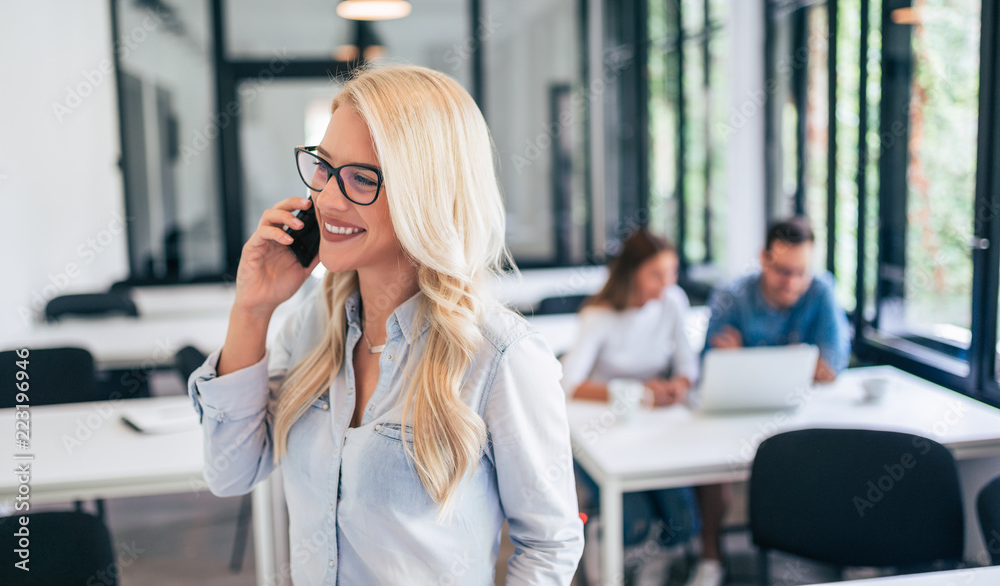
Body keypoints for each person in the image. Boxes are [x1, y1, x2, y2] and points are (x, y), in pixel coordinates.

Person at [187, 65, 584, 585]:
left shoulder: (500, 357)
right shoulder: (312, 325)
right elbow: (230, 473)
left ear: (427, 196)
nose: (327, 198)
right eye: (324, 168)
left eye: (361, 178)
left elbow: (549, 545)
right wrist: (253, 310)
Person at [685, 215, 851, 586]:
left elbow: (830, 365)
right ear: (764, 258)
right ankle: (710, 554)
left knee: (837, 454)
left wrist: (745, 355)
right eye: (782, 271)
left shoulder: (821, 291)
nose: (792, 283)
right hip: (734, 412)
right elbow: (710, 365)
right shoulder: (732, 295)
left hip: (799, 415)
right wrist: (795, 359)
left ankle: (815, 557)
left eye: (801, 272)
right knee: (708, 456)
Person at [560, 229, 700, 586]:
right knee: (632, 515)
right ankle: (608, 560)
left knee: (681, 515)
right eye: (656, 274)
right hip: (600, 425)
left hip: (653, 423)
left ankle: (654, 566)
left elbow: (688, 365)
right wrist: (636, 392)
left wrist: (677, 386)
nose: (666, 283)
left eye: (672, 273)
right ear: (632, 272)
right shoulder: (600, 315)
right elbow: (569, 384)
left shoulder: (672, 302)